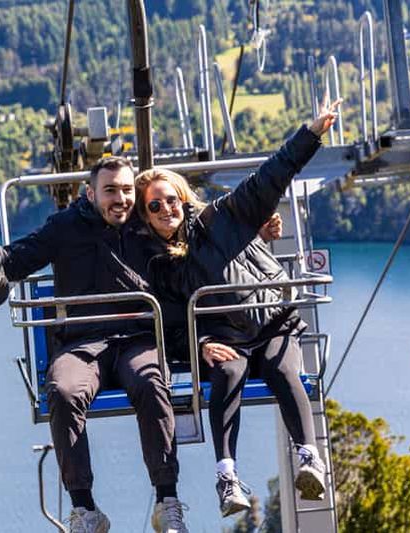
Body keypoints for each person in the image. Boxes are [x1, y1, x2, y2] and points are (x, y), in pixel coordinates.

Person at [0, 156, 188, 533]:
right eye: (110, 190)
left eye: (127, 190)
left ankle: (167, 499)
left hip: (136, 339)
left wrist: (261, 227)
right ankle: (85, 507)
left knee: (151, 382)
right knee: (62, 392)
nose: (121, 199)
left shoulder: (147, 224)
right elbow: (13, 262)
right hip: (83, 343)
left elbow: (203, 235)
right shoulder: (66, 228)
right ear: (90, 193)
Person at [134, 100, 340, 516]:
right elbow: (170, 325)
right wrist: (201, 344)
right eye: (154, 206)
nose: (166, 210)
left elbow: (270, 177)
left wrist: (311, 133)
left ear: (182, 196)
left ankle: (309, 456)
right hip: (225, 337)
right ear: (146, 215)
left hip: (271, 321)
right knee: (226, 375)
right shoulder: (159, 265)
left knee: (284, 369)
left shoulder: (224, 215)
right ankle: (227, 476)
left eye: (170, 199)